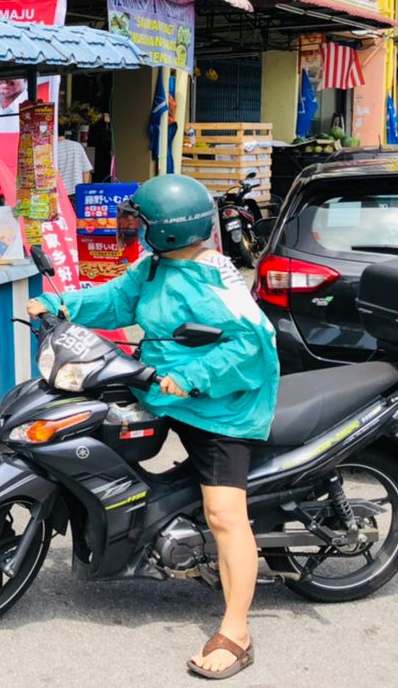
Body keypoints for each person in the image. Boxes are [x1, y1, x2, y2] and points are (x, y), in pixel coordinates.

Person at [26, 174, 278, 680]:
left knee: (225, 512)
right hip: (160, 387)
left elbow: (255, 344)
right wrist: (61, 305)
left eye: (138, 221)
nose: (130, 227)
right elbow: (115, 300)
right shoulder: (155, 266)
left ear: (165, 230)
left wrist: (191, 376)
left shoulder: (217, 286)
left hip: (222, 407)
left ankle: (237, 631)